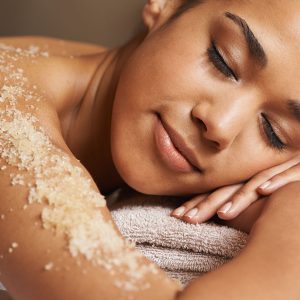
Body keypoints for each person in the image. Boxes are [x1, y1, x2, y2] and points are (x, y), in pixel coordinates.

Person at [1, 0, 300, 299]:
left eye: (274, 133)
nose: (220, 125)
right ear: (166, 4)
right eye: (223, 61)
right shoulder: (10, 111)